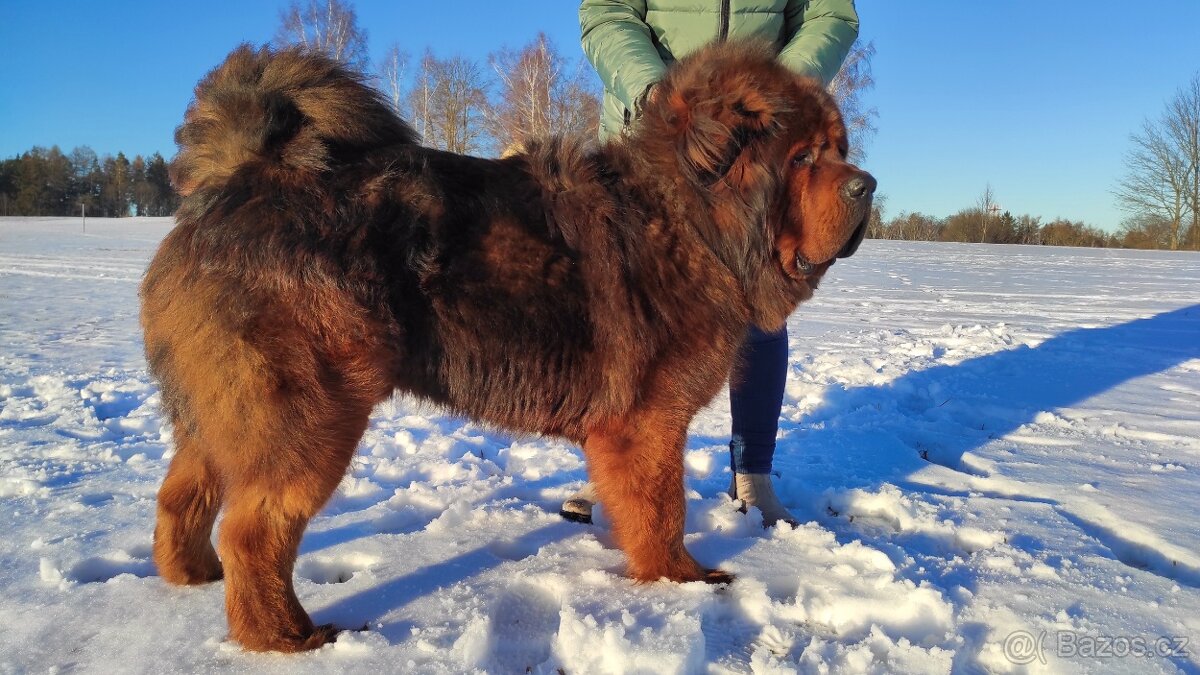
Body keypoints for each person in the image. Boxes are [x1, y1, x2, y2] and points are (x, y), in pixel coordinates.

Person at [561, 0, 860, 528]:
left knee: (761, 306)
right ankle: (615, 468)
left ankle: (753, 474)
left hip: (765, 139)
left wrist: (780, 90)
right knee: (628, 313)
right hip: (653, 132)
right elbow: (607, 12)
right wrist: (654, 90)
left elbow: (830, 15)